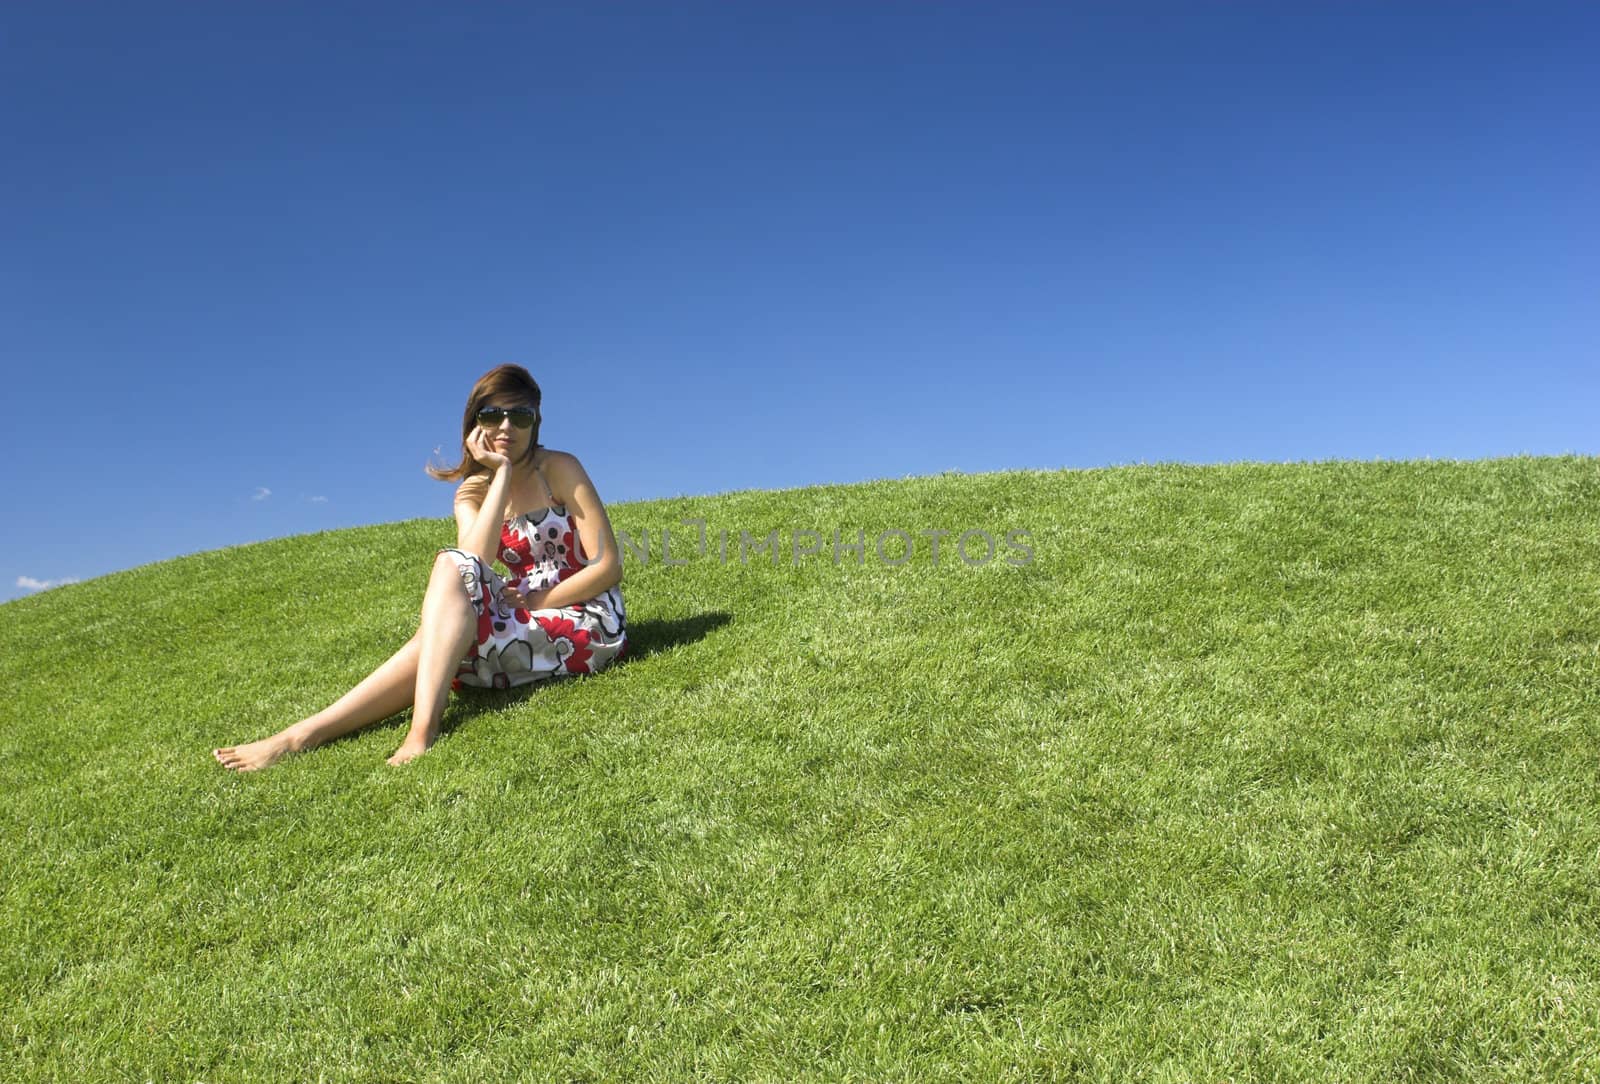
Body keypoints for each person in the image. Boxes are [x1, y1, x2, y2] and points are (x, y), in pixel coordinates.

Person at [214, 364, 627, 770]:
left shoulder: (559, 468)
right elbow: (473, 565)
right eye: (492, 415)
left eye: (520, 416)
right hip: (518, 617)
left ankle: (409, 733)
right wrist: (498, 475)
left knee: (437, 636)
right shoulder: (471, 492)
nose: (506, 427)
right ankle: (304, 735)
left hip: (585, 619)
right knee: (449, 577)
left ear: (536, 422)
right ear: (474, 423)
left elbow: (608, 566)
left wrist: (539, 599)